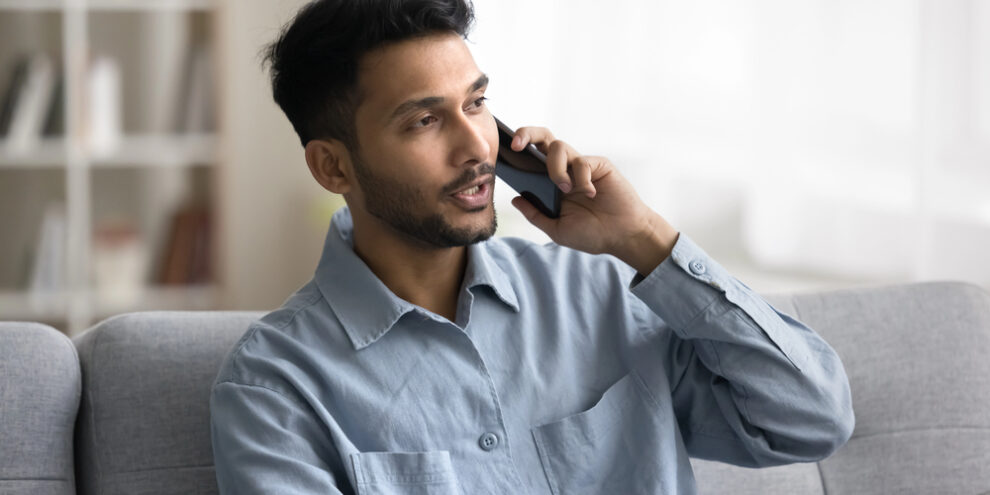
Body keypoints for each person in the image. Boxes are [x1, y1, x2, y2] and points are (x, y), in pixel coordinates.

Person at [209, 1, 855, 493]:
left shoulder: (598, 291)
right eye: (425, 121)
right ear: (332, 168)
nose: (477, 147)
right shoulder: (274, 387)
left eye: (478, 102)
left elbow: (811, 418)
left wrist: (643, 238)